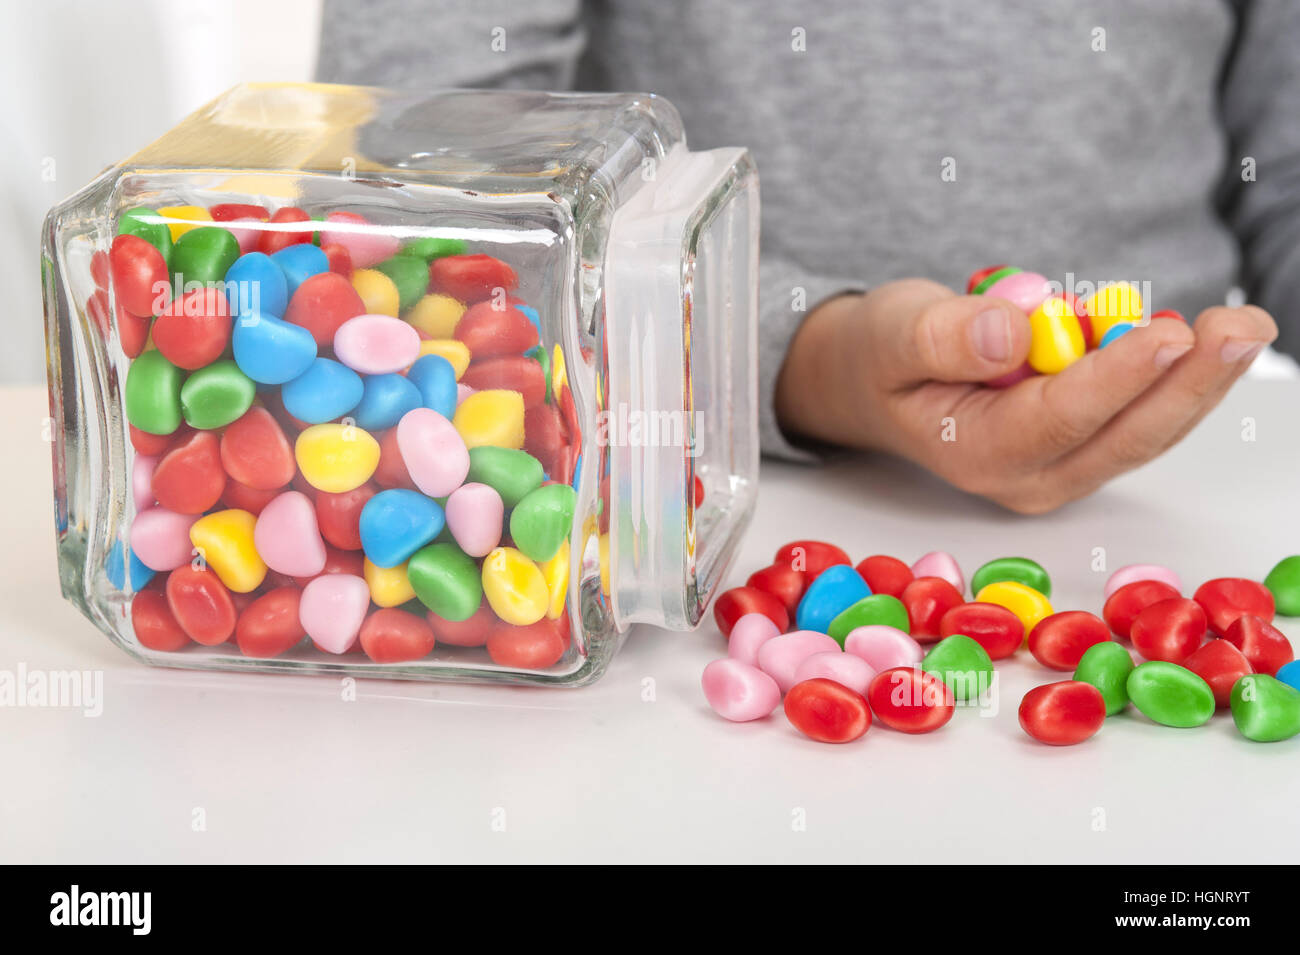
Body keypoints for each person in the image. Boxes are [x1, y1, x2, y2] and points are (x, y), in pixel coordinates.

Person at [317, 0, 1295, 513]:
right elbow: (431, 177)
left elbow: (1285, 184)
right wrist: (811, 358)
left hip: (1203, 479)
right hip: (660, 473)